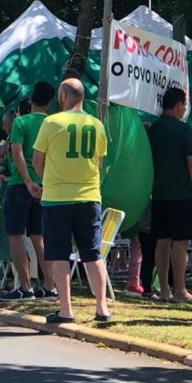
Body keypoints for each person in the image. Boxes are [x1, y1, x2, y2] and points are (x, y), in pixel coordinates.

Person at [33, 78, 111, 324]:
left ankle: (66, 310)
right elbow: (99, 163)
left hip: (57, 198)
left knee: (59, 254)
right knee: (93, 253)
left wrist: (49, 180)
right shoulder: (97, 124)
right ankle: (102, 308)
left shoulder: (51, 122)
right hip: (89, 196)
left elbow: (37, 161)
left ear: (64, 96)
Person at [146, 86, 192, 304]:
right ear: (179, 105)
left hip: (158, 194)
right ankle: (180, 290)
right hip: (180, 195)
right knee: (180, 243)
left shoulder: (153, 129)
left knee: (162, 242)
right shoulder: (183, 129)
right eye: (184, 106)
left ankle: (164, 290)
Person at [1, 81, 54, 301]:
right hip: (45, 186)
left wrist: (26, 179)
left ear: (31, 99)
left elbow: (17, 154)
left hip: (19, 184)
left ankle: (24, 287)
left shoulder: (21, 122)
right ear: (50, 102)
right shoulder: (53, 124)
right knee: (39, 237)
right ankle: (50, 286)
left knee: (15, 236)